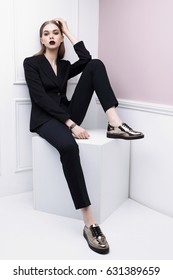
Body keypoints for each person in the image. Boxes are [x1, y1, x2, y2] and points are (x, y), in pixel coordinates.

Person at [23, 18, 144, 255]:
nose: (51, 36)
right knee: (69, 147)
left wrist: (69, 31)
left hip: (67, 113)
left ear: (59, 38)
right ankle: (90, 222)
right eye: (46, 33)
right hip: (46, 119)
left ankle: (114, 122)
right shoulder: (31, 63)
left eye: (55, 33)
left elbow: (87, 61)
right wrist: (71, 124)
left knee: (96, 64)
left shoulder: (65, 64)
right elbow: (40, 99)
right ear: (41, 39)